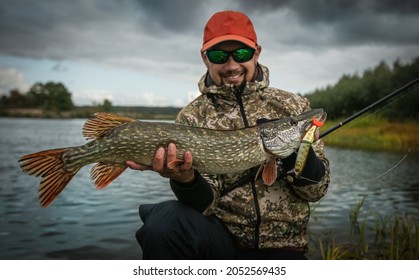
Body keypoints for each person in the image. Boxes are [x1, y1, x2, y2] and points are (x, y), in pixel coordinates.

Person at [126, 10, 330, 260]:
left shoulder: (292, 106)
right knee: (163, 222)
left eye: (241, 54)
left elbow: (317, 192)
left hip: (285, 247)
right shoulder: (193, 116)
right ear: (205, 58)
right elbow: (205, 204)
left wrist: (293, 156)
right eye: (219, 55)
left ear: (256, 53)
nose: (232, 65)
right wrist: (185, 179)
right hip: (222, 243)